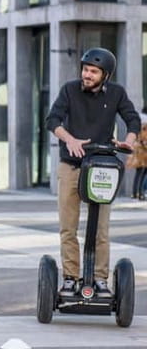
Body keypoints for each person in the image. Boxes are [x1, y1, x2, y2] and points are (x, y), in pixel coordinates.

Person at [45, 47, 141, 299]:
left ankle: (100, 280)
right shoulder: (69, 90)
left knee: (100, 229)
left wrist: (128, 141)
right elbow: (52, 120)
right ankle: (70, 278)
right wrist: (70, 140)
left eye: (93, 71)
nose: (87, 75)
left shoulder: (117, 93)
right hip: (71, 165)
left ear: (105, 75)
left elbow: (132, 120)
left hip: (101, 168)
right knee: (68, 227)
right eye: (85, 69)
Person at [126, 121, 147, 200]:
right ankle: (139, 194)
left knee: (140, 175)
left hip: (142, 156)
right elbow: (143, 141)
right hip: (142, 156)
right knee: (140, 175)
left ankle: (136, 193)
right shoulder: (143, 128)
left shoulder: (142, 128)